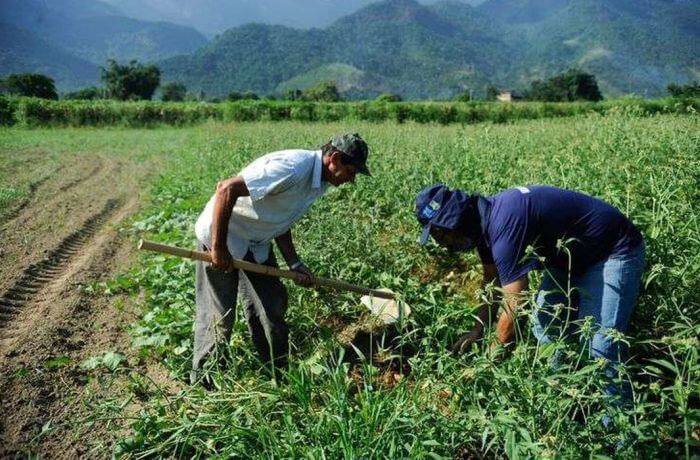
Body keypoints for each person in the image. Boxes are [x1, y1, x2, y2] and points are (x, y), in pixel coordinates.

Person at [414, 184, 645, 405]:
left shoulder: (504, 226)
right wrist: (478, 329)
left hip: (612, 251)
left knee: (601, 348)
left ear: (454, 221)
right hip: (569, 258)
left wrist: (486, 367)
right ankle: (564, 401)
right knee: (546, 326)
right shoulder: (482, 225)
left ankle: (620, 435)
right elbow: (491, 282)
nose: (440, 242)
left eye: (438, 233)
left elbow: (515, 306)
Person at [192, 133, 370, 383]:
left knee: (271, 307)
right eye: (352, 171)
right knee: (219, 316)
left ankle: (277, 374)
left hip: (256, 242)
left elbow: (281, 218)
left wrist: (295, 263)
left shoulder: (318, 182)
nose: (352, 180)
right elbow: (226, 188)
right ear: (335, 158)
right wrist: (218, 248)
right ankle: (204, 382)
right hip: (222, 236)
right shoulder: (293, 168)